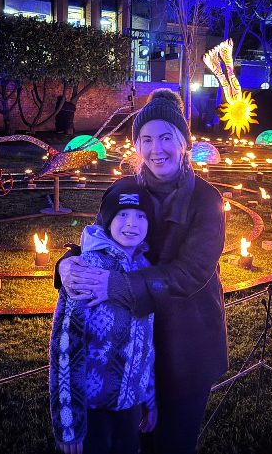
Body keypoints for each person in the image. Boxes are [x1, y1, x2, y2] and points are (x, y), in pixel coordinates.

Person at [58, 88, 228, 454]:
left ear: (184, 142)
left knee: (172, 443)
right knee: (130, 443)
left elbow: (191, 272)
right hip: (129, 347)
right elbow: (99, 242)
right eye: (146, 139)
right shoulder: (125, 190)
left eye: (167, 137)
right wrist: (67, 262)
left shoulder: (206, 200)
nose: (157, 149)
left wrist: (116, 285)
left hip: (186, 345)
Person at [50, 183, 157, 454]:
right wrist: (68, 422)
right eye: (122, 215)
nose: (132, 224)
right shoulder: (84, 270)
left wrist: (149, 397)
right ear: (108, 220)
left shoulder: (145, 268)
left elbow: (146, 345)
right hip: (93, 409)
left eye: (141, 215)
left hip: (131, 405)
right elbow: (65, 349)